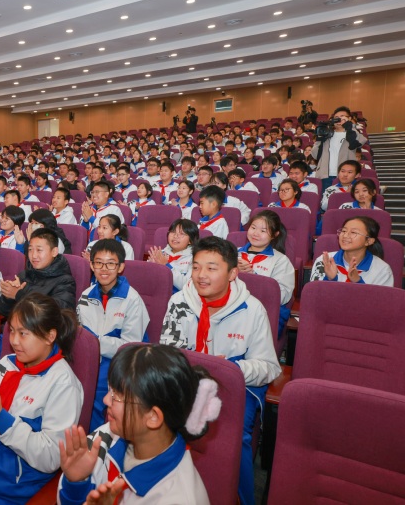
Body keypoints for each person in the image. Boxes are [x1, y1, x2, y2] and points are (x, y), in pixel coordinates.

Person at [160, 237, 280, 505]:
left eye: (211, 268)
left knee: (233, 438)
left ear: (232, 273)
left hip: (233, 385)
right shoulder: (179, 302)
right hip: (186, 380)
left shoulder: (252, 309)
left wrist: (229, 369)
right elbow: (167, 352)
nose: (201, 275)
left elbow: (269, 367)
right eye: (196, 267)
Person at [0, 293, 83, 505]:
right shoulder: (7, 363)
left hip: (8, 488)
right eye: (11, 331)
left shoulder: (63, 383)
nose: (14, 341)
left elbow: (50, 458)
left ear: (50, 336)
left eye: (23, 333)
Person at [58, 344, 219, 505]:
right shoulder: (111, 434)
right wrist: (77, 482)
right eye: (110, 389)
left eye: (117, 395)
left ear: (153, 417)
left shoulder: (178, 499)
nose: (106, 400)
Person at [76, 239, 148, 429]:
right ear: (91, 265)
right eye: (99, 263)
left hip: (119, 363)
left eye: (110, 264)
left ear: (121, 267)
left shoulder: (132, 300)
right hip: (90, 359)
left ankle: (95, 439)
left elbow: (131, 347)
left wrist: (95, 343)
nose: (104, 269)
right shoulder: (85, 296)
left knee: (97, 397)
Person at [237, 211, 295, 335]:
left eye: (263, 231)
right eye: (253, 228)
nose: (255, 233)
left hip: (264, 312)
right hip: (232, 307)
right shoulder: (233, 253)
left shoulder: (280, 260)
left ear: (275, 235)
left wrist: (253, 278)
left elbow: (283, 296)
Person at [0, 228, 76, 317]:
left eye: (39, 250)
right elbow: (2, 311)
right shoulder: (24, 275)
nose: (33, 255)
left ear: (54, 252)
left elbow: (58, 313)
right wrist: (8, 297)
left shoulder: (65, 281)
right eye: (30, 249)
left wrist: (18, 295)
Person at [310, 216, 393, 286]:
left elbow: (379, 300)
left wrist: (358, 282)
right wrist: (330, 279)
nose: (345, 235)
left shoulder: (382, 270)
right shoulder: (324, 261)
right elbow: (314, 296)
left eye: (353, 232)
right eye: (344, 231)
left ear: (369, 241)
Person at [311, 106, 367, 189]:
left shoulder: (352, 133)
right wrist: (319, 138)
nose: (339, 119)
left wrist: (349, 127)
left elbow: (359, 142)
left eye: (342, 117)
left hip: (345, 176)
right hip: (325, 175)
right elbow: (315, 155)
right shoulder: (327, 134)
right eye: (336, 117)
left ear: (349, 118)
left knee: (344, 197)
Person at [146, 218, 199, 293]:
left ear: (190, 240)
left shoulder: (194, 258)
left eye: (182, 234)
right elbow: (146, 280)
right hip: (156, 293)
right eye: (173, 232)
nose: (175, 236)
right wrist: (151, 266)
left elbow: (186, 285)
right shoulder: (159, 254)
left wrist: (166, 266)